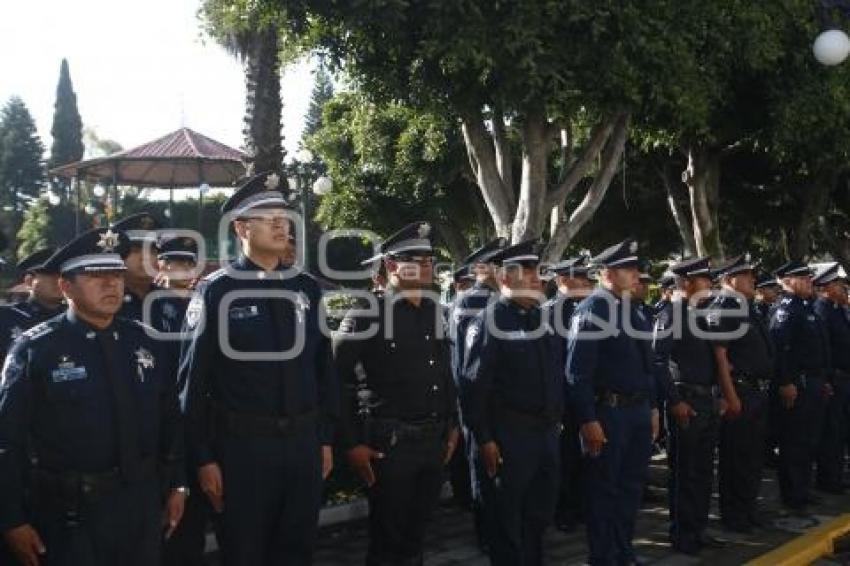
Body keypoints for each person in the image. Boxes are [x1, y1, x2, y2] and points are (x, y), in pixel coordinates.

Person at [0, 227, 186, 566]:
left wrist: (179, 484)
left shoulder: (146, 341)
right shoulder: (36, 348)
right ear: (66, 286)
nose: (111, 284)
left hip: (140, 506)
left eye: (115, 274)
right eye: (95, 275)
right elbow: (7, 438)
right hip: (71, 515)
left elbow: (170, 417)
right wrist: (11, 518)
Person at [179, 171, 338, 565]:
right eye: (268, 216)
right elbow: (192, 383)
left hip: (302, 444)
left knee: (297, 549)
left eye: (284, 215)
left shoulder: (305, 287)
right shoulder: (217, 290)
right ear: (240, 227)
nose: (280, 223)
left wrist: (324, 437)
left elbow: (324, 370)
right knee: (245, 551)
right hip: (243, 450)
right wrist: (202, 458)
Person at [333, 221, 458, 565]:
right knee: (388, 539)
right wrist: (351, 443)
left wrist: (453, 425)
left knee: (417, 536)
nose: (427, 265)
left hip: (433, 440)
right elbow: (336, 381)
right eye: (415, 259)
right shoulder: (365, 313)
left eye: (429, 259)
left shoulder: (435, 311)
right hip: (389, 445)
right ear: (390, 265)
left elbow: (443, 372)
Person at [461, 239, 563, 565]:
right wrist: (485, 439)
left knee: (538, 517)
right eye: (528, 273)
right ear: (505, 278)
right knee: (505, 524)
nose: (537, 280)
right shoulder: (489, 322)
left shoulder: (538, 319)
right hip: (508, 437)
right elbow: (473, 389)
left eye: (537, 272)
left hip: (543, 434)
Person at [566, 238, 659, 566]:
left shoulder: (632, 309)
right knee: (603, 490)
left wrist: (652, 407)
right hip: (609, 413)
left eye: (636, 269)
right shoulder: (593, 309)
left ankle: (624, 550)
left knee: (630, 488)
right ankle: (603, 556)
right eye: (628, 269)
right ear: (606, 274)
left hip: (635, 411)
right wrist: (588, 420)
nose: (636, 275)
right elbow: (577, 373)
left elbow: (648, 366)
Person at [653, 256, 730, 554]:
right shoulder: (673, 314)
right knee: (685, 472)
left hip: (706, 400)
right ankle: (683, 535)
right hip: (687, 400)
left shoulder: (697, 313)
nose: (708, 285)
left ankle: (698, 529)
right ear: (685, 283)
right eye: (702, 280)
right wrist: (674, 402)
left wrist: (720, 395)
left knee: (701, 471)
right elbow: (658, 360)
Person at [446, 237, 506, 549]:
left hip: (496, 399)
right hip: (479, 397)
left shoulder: (495, 298)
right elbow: (467, 362)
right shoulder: (471, 301)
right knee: (484, 468)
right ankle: (488, 533)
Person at [709, 254, 775, 533]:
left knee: (752, 457)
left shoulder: (746, 307)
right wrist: (730, 395)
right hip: (740, 391)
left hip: (757, 392)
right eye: (745, 275)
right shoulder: (725, 308)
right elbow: (720, 356)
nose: (753, 280)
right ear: (728, 280)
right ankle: (734, 514)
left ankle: (748, 508)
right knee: (736, 457)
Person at [769, 260, 831, 514]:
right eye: (803, 278)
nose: (809, 282)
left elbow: (819, 349)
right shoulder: (786, 309)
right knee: (794, 442)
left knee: (809, 441)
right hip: (798, 385)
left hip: (814, 382)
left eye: (809, 278)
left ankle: (803, 490)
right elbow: (779, 350)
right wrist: (785, 382)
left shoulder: (806, 308)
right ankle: (793, 496)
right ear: (788, 281)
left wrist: (824, 379)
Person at [543, 256, 595, 532]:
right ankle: (562, 509)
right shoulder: (550, 311)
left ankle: (577, 505)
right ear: (562, 280)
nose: (587, 282)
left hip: (581, 397)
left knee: (583, 457)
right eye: (581, 277)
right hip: (561, 399)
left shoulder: (584, 310)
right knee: (564, 457)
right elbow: (551, 362)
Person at [112, 213, 185, 334]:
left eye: (151, 250)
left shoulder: (171, 300)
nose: (145, 257)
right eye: (135, 250)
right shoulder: (107, 301)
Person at [813, 263, 850, 494]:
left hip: (845, 378)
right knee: (831, 432)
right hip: (834, 378)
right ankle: (828, 479)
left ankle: (836, 474)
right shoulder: (822, 310)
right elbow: (824, 349)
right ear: (826, 287)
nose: (843, 288)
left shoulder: (836, 309)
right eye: (838, 284)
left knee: (841, 430)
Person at [0, 248, 65, 361]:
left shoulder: (79, 316)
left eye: (64, 276)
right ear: (29, 281)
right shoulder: (5, 317)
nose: (59, 281)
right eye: (51, 276)